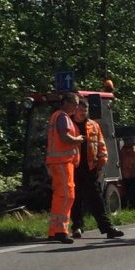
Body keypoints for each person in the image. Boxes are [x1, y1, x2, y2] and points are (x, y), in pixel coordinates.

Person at [69, 96, 124, 239]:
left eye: (85, 110)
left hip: (90, 168)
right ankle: (77, 227)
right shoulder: (68, 125)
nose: (82, 113)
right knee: (75, 199)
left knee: (97, 199)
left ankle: (107, 228)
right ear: (75, 110)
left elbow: (101, 147)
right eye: (80, 110)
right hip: (73, 168)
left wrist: (100, 165)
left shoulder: (93, 125)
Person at [45, 93, 85, 244]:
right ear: (66, 102)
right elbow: (65, 137)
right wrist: (78, 140)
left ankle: (54, 231)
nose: (76, 107)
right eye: (74, 103)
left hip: (57, 162)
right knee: (67, 196)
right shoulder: (62, 117)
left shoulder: (57, 116)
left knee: (59, 196)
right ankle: (61, 231)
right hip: (62, 162)